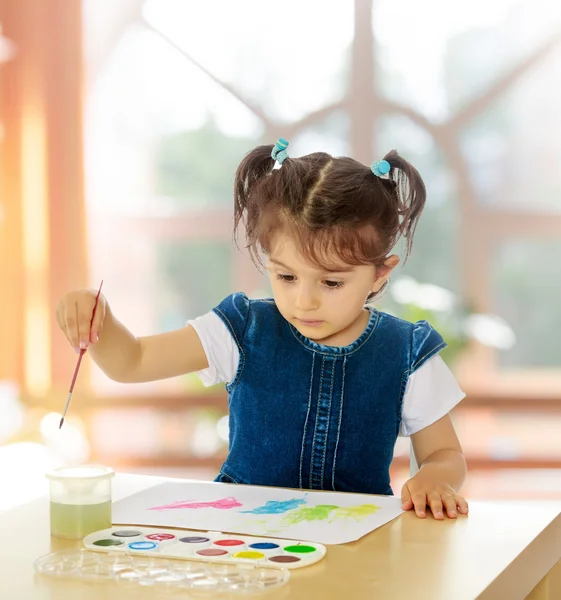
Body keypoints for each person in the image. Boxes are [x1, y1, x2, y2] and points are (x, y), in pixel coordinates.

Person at [56, 138, 468, 520]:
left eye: (331, 283)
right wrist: (99, 314)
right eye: (286, 277)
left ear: (380, 273)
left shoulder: (407, 353)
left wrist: (437, 477)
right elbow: (133, 361)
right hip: (243, 541)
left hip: (358, 544)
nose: (304, 301)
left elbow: (445, 454)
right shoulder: (240, 329)